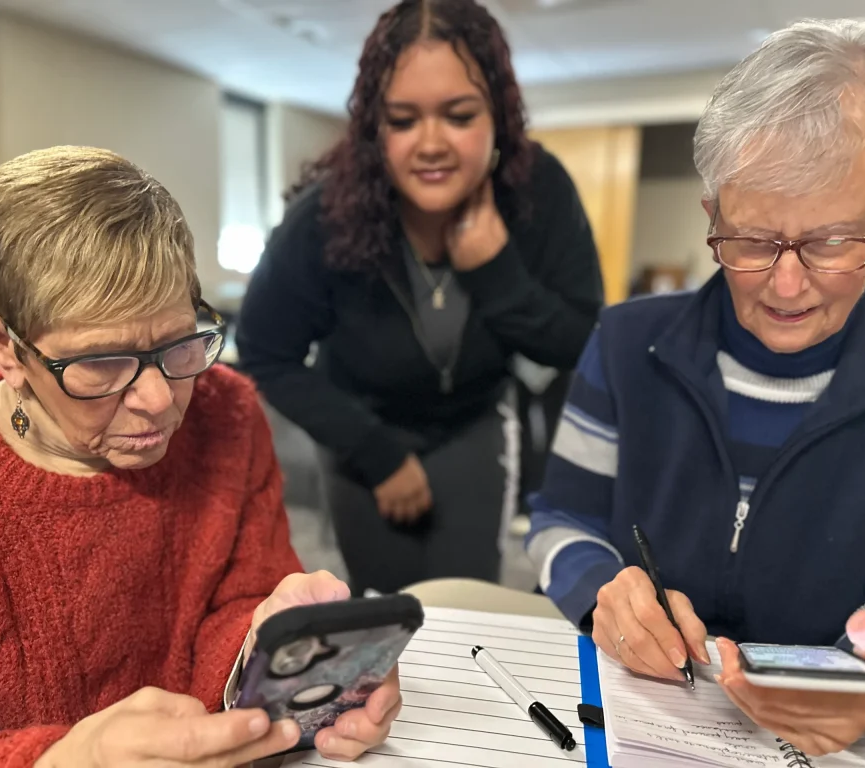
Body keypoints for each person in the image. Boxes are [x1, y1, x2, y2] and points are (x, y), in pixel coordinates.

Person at [0, 146, 400, 766]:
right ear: (1, 343)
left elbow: (236, 601)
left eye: (181, 344)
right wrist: (57, 759)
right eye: (101, 363)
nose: (161, 399)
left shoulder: (228, 413)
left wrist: (275, 652)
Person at [528, 18, 865, 757]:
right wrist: (601, 590)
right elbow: (559, 519)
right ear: (712, 212)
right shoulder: (623, 341)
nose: (785, 285)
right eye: (752, 239)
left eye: (832, 242)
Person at [237, 0, 604, 595]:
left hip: (473, 425)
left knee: (467, 607)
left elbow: (581, 343)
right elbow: (262, 351)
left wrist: (495, 272)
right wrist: (376, 453)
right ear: (375, 127)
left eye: (458, 115)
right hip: (365, 433)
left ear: (499, 118)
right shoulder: (324, 219)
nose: (430, 143)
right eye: (403, 120)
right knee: (382, 610)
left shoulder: (540, 192)